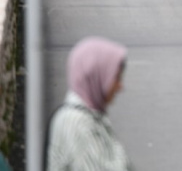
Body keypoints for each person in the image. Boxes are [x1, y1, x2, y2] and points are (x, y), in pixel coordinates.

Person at [46, 36, 132, 171]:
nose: (120, 86)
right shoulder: (78, 124)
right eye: (115, 77)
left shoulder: (91, 116)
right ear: (95, 75)